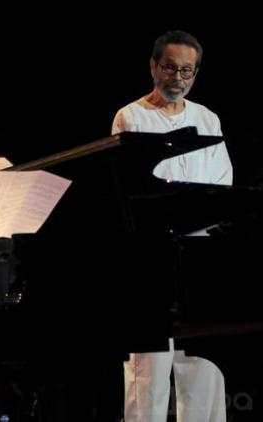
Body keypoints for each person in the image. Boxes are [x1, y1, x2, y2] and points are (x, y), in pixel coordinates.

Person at [112, 30, 232, 421]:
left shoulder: (207, 119)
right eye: (169, 68)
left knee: (203, 366)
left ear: (195, 74)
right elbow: (129, 190)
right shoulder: (130, 116)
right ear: (153, 66)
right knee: (149, 372)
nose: (177, 78)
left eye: (186, 70)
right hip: (150, 257)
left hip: (200, 255)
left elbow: (221, 185)